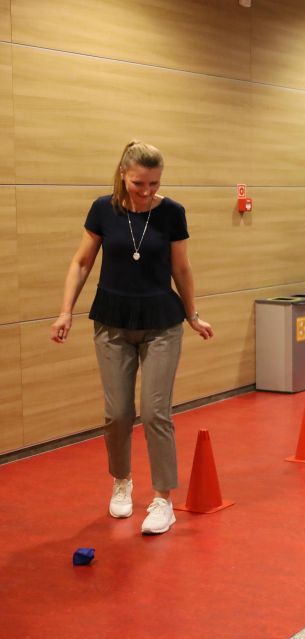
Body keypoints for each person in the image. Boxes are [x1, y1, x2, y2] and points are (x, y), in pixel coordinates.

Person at [50, 140, 214, 535]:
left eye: (154, 183)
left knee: (156, 411)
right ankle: (121, 481)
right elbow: (83, 261)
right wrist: (65, 311)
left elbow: (182, 269)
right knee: (118, 413)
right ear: (123, 174)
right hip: (112, 321)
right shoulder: (102, 210)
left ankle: (163, 499)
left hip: (161, 322)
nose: (147, 191)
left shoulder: (172, 213)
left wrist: (192, 314)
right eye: (140, 183)